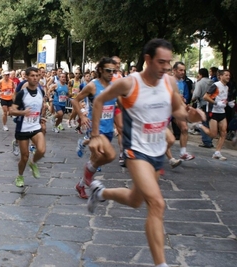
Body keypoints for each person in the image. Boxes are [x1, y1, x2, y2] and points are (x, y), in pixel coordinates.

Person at [87, 39, 205, 267]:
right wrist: (95, 135)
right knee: (157, 204)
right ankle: (161, 264)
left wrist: (192, 117)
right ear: (148, 59)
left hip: (157, 152)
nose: (166, 67)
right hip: (136, 151)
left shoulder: (169, 82)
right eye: (161, 62)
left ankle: (100, 193)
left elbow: (179, 111)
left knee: (135, 199)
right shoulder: (129, 84)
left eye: (168, 63)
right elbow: (100, 100)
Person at [72, 57, 117, 199]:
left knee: (94, 160)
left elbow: (116, 107)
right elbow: (75, 100)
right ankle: (90, 184)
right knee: (109, 155)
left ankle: (81, 185)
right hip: (96, 128)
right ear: (100, 70)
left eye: (113, 71)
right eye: (108, 70)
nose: (111, 73)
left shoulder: (114, 86)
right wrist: (83, 116)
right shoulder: (93, 85)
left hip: (108, 128)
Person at [9, 67, 46, 187]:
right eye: (32, 75)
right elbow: (11, 110)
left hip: (35, 126)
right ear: (27, 77)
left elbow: (41, 106)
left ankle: (33, 162)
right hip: (23, 128)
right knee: (24, 157)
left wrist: (41, 117)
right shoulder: (22, 93)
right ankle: (20, 176)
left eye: (37, 75)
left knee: (41, 150)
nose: (35, 78)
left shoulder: (41, 91)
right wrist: (22, 112)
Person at [196, 69, 232, 160]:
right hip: (213, 111)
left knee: (224, 132)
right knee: (213, 134)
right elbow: (205, 97)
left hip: (222, 112)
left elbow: (222, 99)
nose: (228, 77)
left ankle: (217, 152)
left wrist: (228, 103)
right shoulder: (215, 85)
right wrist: (216, 103)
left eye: (229, 75)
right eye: (226, 75)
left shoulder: (227, 87)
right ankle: (199, 125)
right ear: (220, 76)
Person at [191, 68, 214, 148]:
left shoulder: (200, 83)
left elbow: (196, 95)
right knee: (210, 123)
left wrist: (192, 100)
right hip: (212, 105)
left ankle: (206, 141)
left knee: (203, 123)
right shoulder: (212, 82)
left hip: (202, 104)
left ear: (200, 74)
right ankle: (210, 140)